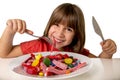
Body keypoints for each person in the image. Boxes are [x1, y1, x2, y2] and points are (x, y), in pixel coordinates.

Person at [0, 3, 117, 58]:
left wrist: (108, 51)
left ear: (77, 35)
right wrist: (10, 31)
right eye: (56, 25)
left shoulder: (77, 53)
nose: (59, 33)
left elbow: (100, 64)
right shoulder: (37, 46)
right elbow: (4, 54)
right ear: (49, 25)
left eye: (69, 29)